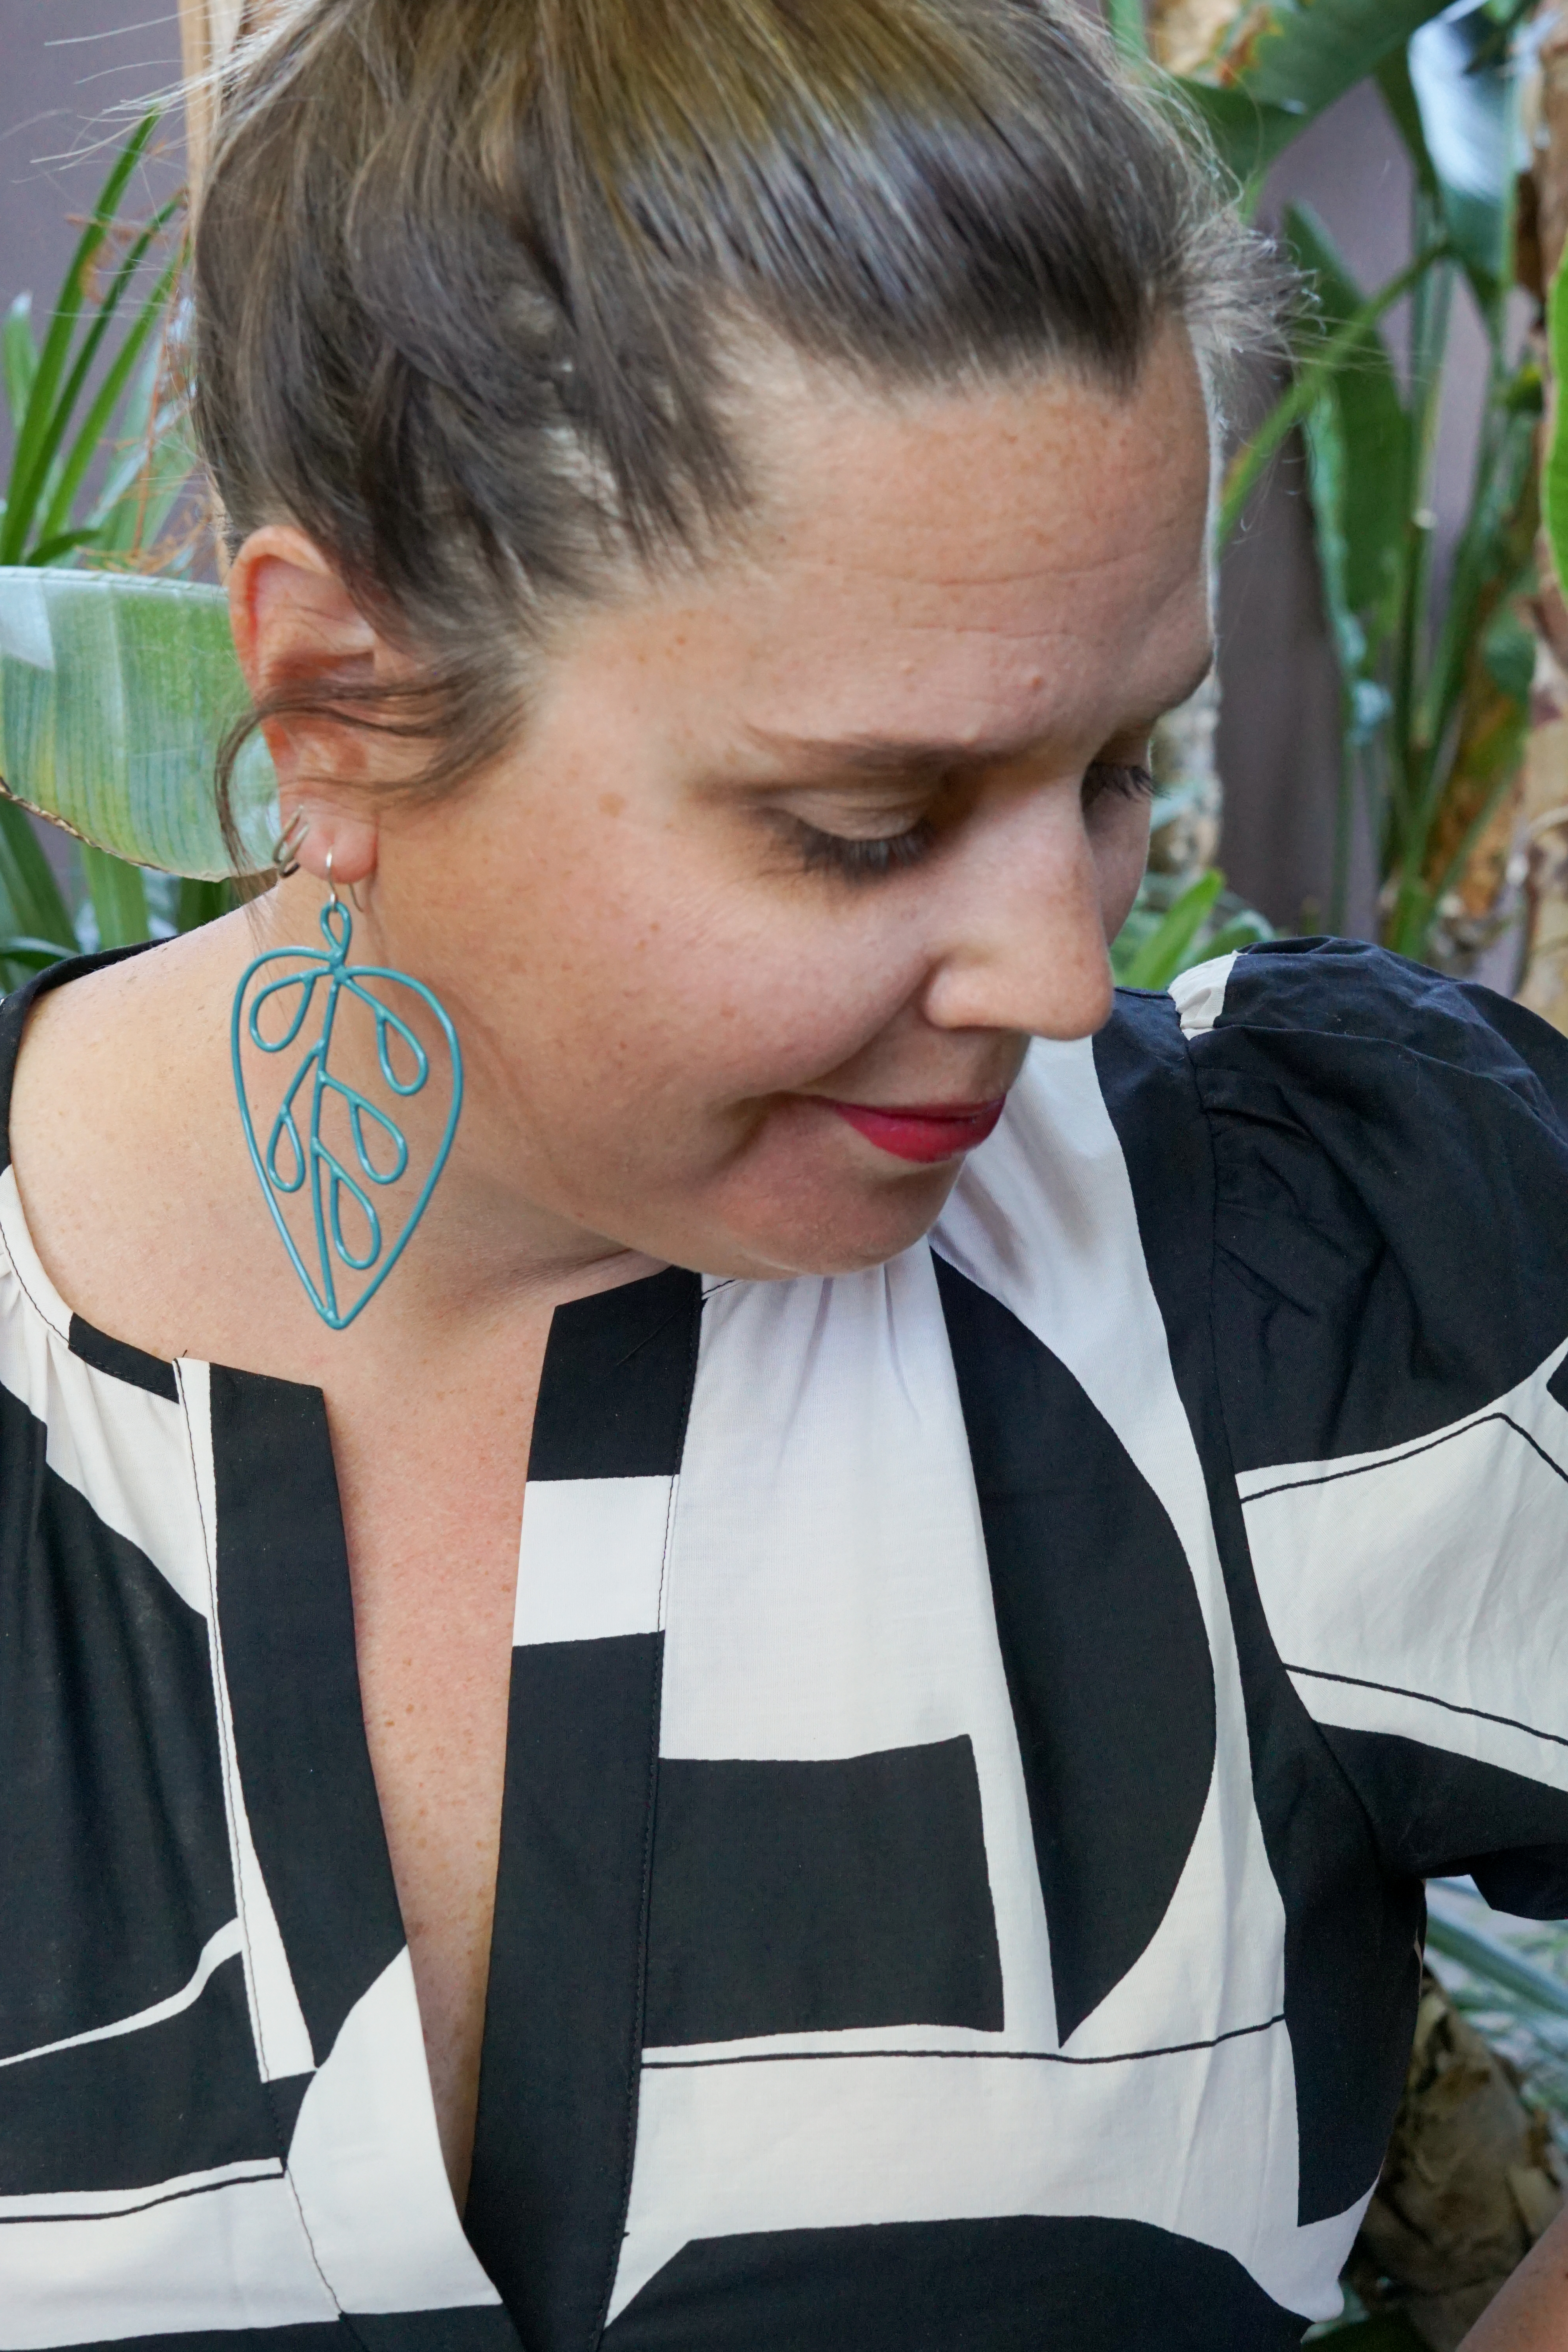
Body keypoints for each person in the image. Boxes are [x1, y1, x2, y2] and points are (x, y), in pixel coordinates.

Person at [1, 0, 1565, 2345]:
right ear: (332, 703)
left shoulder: (1304, 1270)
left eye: (1120, 766)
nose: (1061, 972)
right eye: (868, 826)